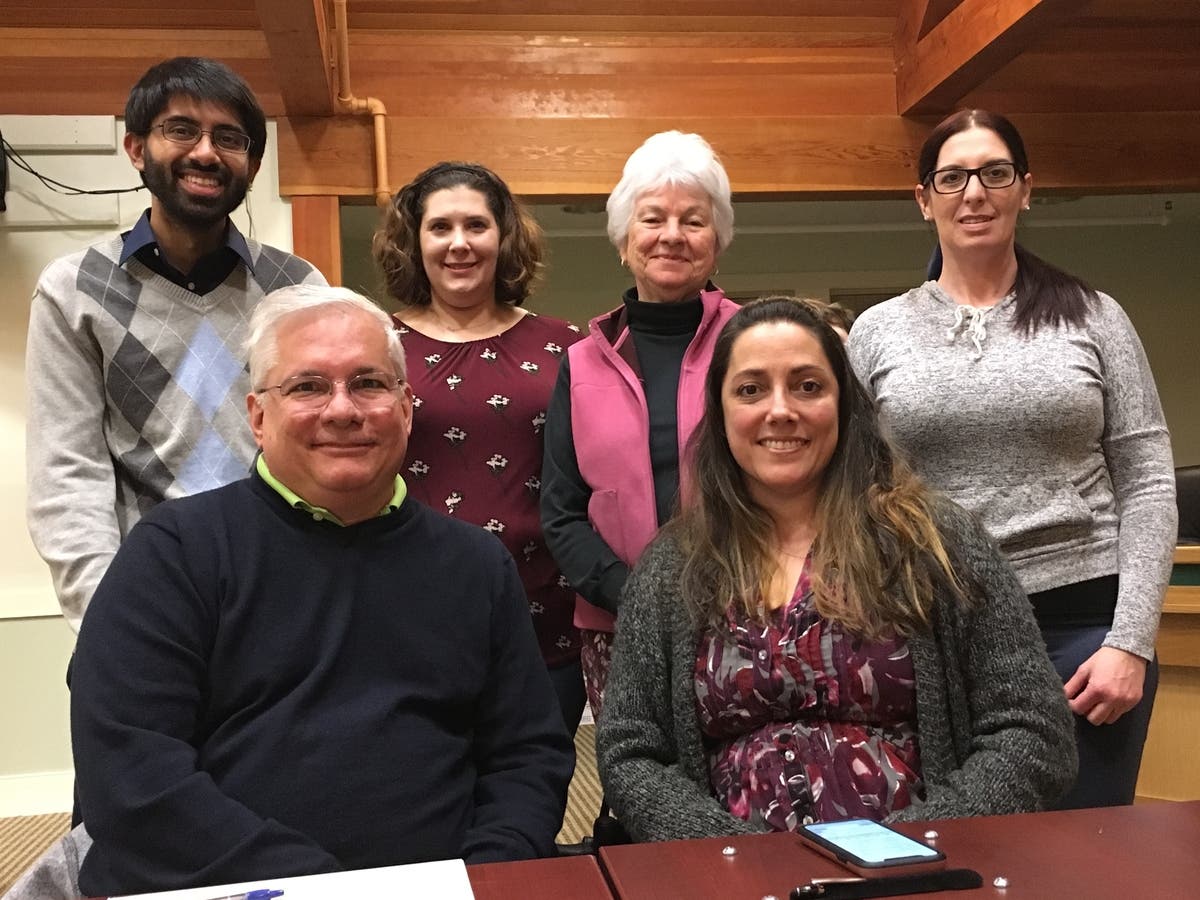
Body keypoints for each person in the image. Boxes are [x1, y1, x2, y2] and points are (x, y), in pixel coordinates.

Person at [68, 285, 574, 896]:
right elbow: (129, 775)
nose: (342, 410)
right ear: (258, 416)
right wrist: (324, 890)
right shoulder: (173, 553)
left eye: (369, 383)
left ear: (407, 408)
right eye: (308, 386)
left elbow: (527, 757)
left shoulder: (476, 566)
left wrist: (481, 877)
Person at [596, 297, 1076, 842]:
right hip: (728, 878)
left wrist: (907, 843)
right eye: (751, 389)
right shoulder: (671, 567)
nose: (781, 410)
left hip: (918, 869)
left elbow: (1033, 731)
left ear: (845, 404)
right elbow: (631, 752)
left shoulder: (934, 540)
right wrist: (727, 851)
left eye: (807, 386)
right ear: (721, 411)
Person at [847, 109, 1176, 809]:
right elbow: (851, 491)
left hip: (1084, 638)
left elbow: (1147, 483)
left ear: (1024, 189)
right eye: (953, 177)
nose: (975, 193)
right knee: (952, 849)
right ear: (923, 198)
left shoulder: (1094, 316)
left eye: (995, 174)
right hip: (934, 632)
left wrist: (1130, 642)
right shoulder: (877, 333)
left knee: (1083, 856)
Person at [25, 56, 326, 632]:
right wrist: (109, 622)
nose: (206, 152)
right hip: (148, 598)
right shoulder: (76, 290)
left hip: (289, 597)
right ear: (136, 149)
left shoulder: (298, 287)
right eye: (181, 130)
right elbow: (68, 474)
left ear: (253, 164)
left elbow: (321, 447)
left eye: (230, 138)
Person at [373, 162, 585, 732]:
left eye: (477, 225)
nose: (459, 244)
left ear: (504, 237)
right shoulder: (375, 345)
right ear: (414, 243)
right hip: (407, 613)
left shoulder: (569, 347)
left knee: (534, 789)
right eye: (440, 228)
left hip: (545, 615)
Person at [541, 130, 741, 718]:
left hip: (749, 614)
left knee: (744, 780)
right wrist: (639, 599)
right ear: (625, 241)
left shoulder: (757, 342)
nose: (672, 236)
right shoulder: (580, 361)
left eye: (694, 221)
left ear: (718, 241)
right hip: (617, 622)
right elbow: (561, 509)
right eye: (652, 219)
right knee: (641, 786)